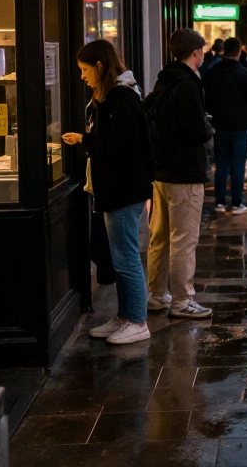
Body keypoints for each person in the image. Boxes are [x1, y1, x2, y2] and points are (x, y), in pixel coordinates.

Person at [62, 39, 154, 345]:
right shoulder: (111, 97)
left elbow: (122, 147)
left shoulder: (120, 98)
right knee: (121, 257)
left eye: (85, 69)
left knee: (126, 258)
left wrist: (85, 141)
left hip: (123, 190)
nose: (82, 76)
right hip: (117, 189)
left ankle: (138, 321)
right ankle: (125, 317)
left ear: (100, 66)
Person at [145, 28, 214, 319]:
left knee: (159, 237)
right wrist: (208, 127)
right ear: (196, 52)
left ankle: (158, 294)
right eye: (202, 51)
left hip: (161, 171)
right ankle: (183, 300)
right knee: (184, 240)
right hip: (185, 172)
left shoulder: (165, 80)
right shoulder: (189, 85)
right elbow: (196, 130)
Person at [203, 37, 247, 215]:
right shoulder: (244, 74)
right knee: (238, 163)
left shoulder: (212, 73)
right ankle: (237, 202)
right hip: (242, 125)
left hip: (220, 125)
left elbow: (206, 98)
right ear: (238, 51)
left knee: (221, 163)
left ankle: (220, 202)